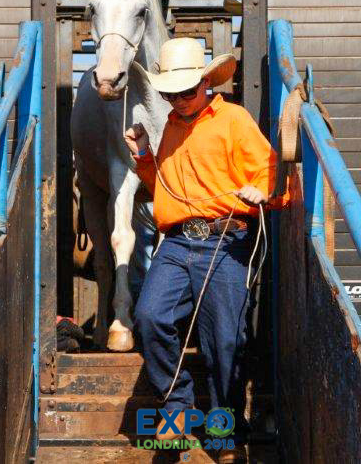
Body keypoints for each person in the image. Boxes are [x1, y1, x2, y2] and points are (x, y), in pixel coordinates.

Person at [124, 37, 289, 464]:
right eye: (170, 94)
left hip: (227, 239)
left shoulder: (233, 119)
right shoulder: (173, 128)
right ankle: (177, 408)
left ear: (204, 84)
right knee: (149, 316)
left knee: (226, 340)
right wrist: (142, 155)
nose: (177, 100)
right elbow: (163, 187)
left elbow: (274, 176)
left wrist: (263, 190)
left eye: (185, 91)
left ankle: (224, 430)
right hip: (178, 242)